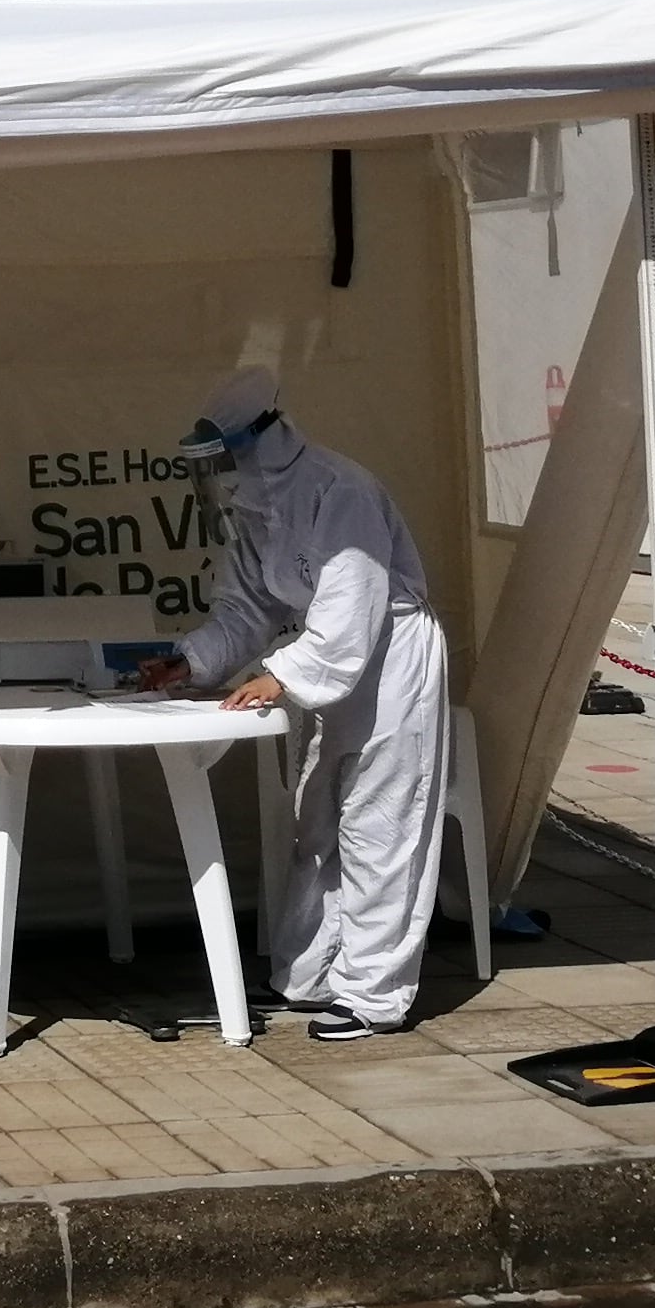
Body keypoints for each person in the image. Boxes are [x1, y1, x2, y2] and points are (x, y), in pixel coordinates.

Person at [129, 367, 450, 1041]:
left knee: (380, 824)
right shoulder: (259, 507)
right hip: (326, 668)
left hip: (390, 661)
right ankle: (309, 976)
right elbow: (249, 605)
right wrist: (191, 659)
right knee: (318, 823)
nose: (218, 474)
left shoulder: (339, 490)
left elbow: (354, 599)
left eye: (222, 458)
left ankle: (373, 996)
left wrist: (283, 676)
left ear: (259, 441)